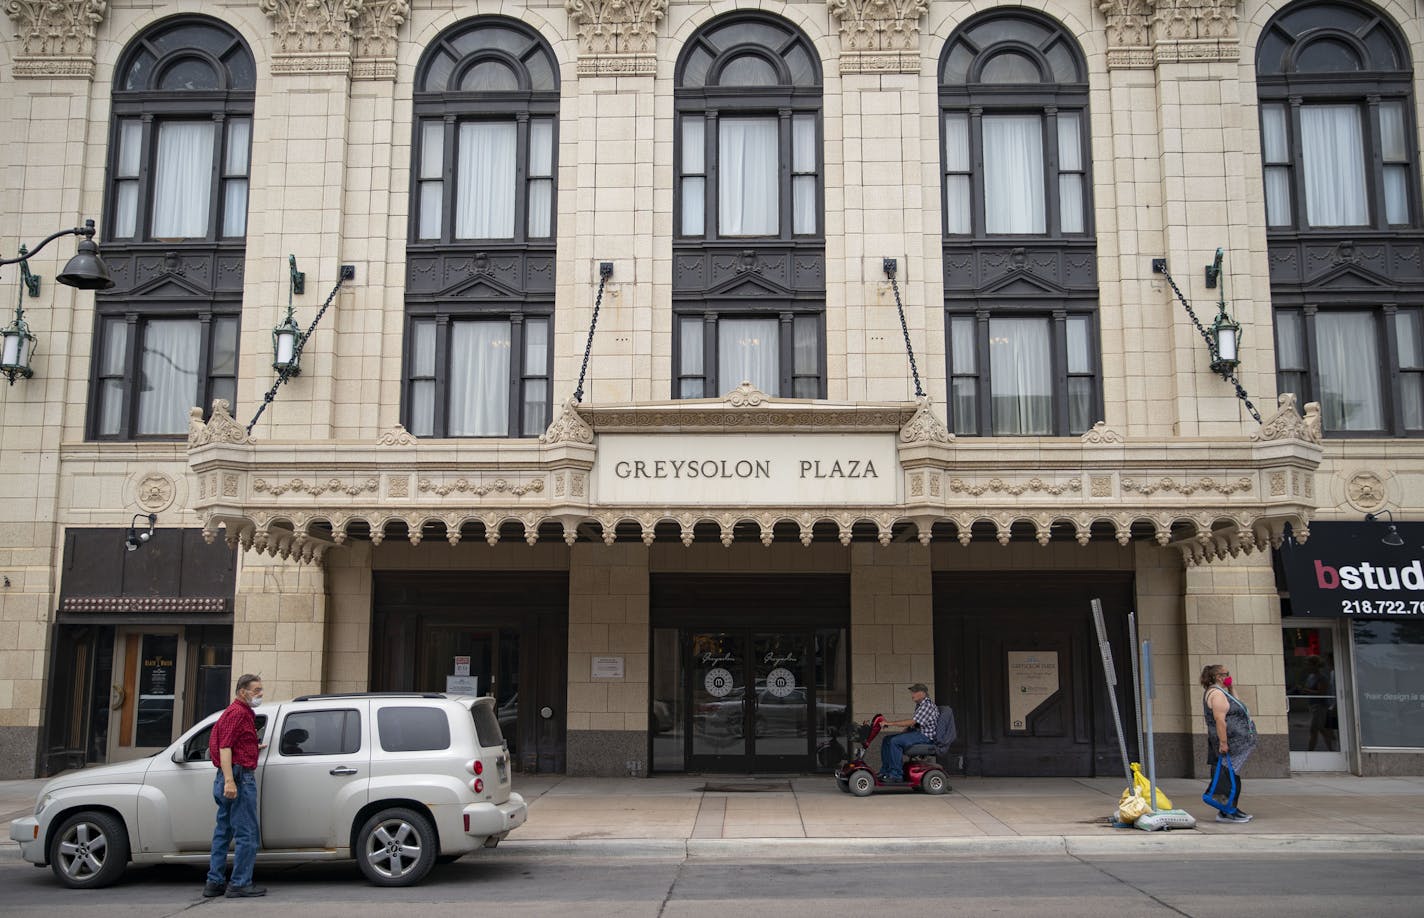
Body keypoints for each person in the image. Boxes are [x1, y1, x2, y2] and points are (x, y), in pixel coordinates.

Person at [205, 674, 267, 898]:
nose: (260, 694)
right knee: (246, 833)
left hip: (232, 774)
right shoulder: (238, 713)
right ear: (242, 692)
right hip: (238, 777)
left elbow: (234, 744)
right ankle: (240, 883)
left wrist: (253, 746)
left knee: (223, 831)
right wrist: (231, 781)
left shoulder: (237, 713)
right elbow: (225, 747)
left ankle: (215, 882)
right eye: (256, 690)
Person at [1201, 664, 1258, 824]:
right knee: (1230, 777)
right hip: (1231, 743)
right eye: (1227, 674)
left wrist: (1231, 687)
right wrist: (1223, 742)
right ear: (1219, 676)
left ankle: (1230, 809)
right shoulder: (1216, 694)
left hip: (1238, 742)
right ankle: (1227, 811)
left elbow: (1238, 704)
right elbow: (1220, 720)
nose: (1229, 676)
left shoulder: (1222, 692)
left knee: (1231, 775)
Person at [878, 683, 939, 783]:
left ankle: (896, 775)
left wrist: (890, 723)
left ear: (922, 693)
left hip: (925, 736)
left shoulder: (927, 705)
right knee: (887, 739)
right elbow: (915, 724)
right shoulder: (920, 705)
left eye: (914, 692)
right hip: (918, 733)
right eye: (912, 692)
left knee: (895, 741)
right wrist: (904, 732)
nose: (912, 694)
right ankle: (885, 771)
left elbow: (912, 721)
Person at [1303, 655, 1337, 752]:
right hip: (1313, 706)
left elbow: (1321, 692)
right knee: (1321, 729)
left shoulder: (1322, 677)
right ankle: (1331, 748)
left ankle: (1310, 751)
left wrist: (1307, 691)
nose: (1307, 667)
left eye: (1308, 665)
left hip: (1320, 706)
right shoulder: (1310, 677)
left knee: (1314, 729)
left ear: (1314, 665)